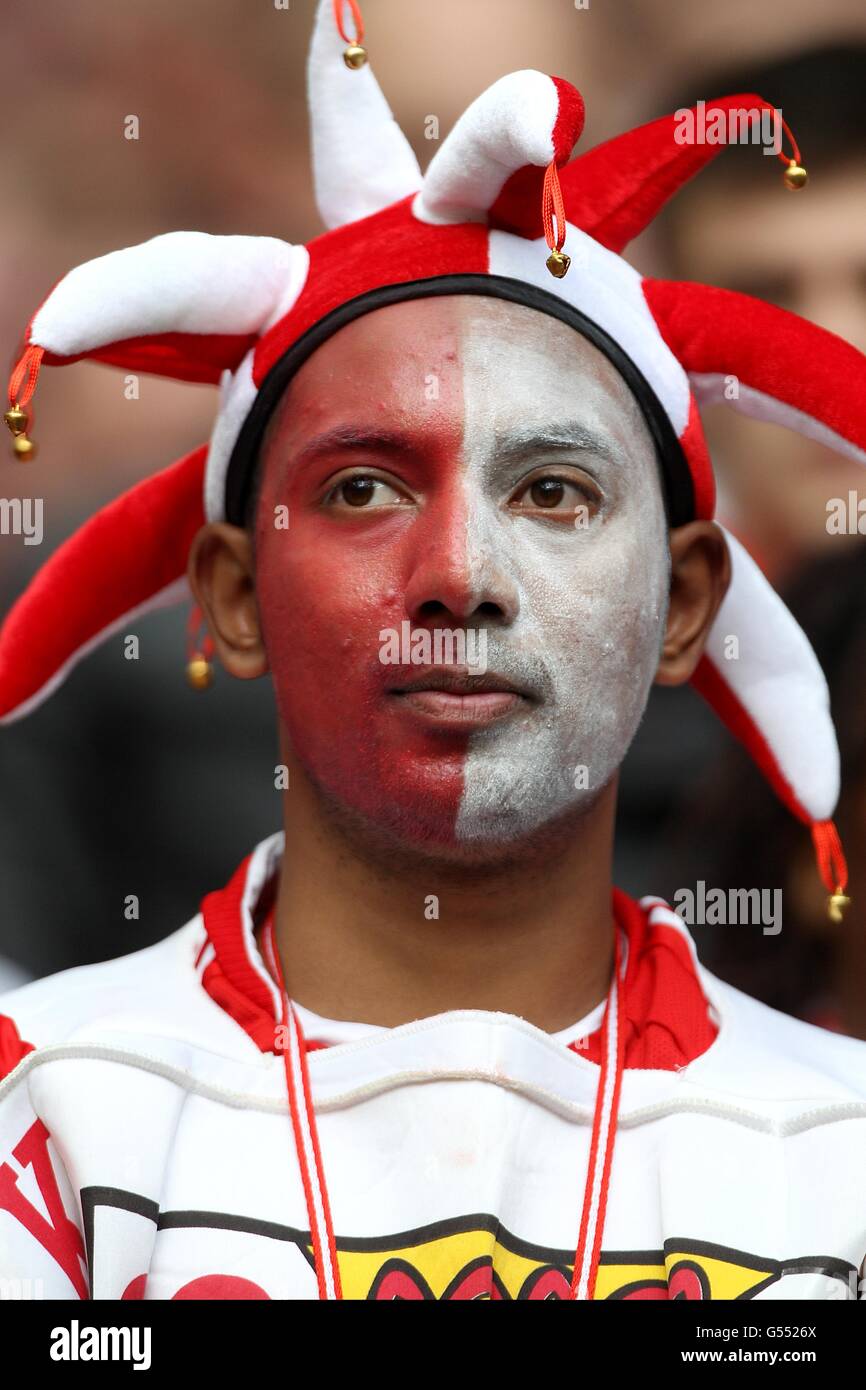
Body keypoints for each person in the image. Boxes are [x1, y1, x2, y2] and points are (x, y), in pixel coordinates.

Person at [0, 0, 865, 1302]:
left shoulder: (836, 1150)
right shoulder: (45, 1121)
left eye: (555, 492)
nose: (458, 574)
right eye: (360, 490)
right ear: (230, 592)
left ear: (684, 601)